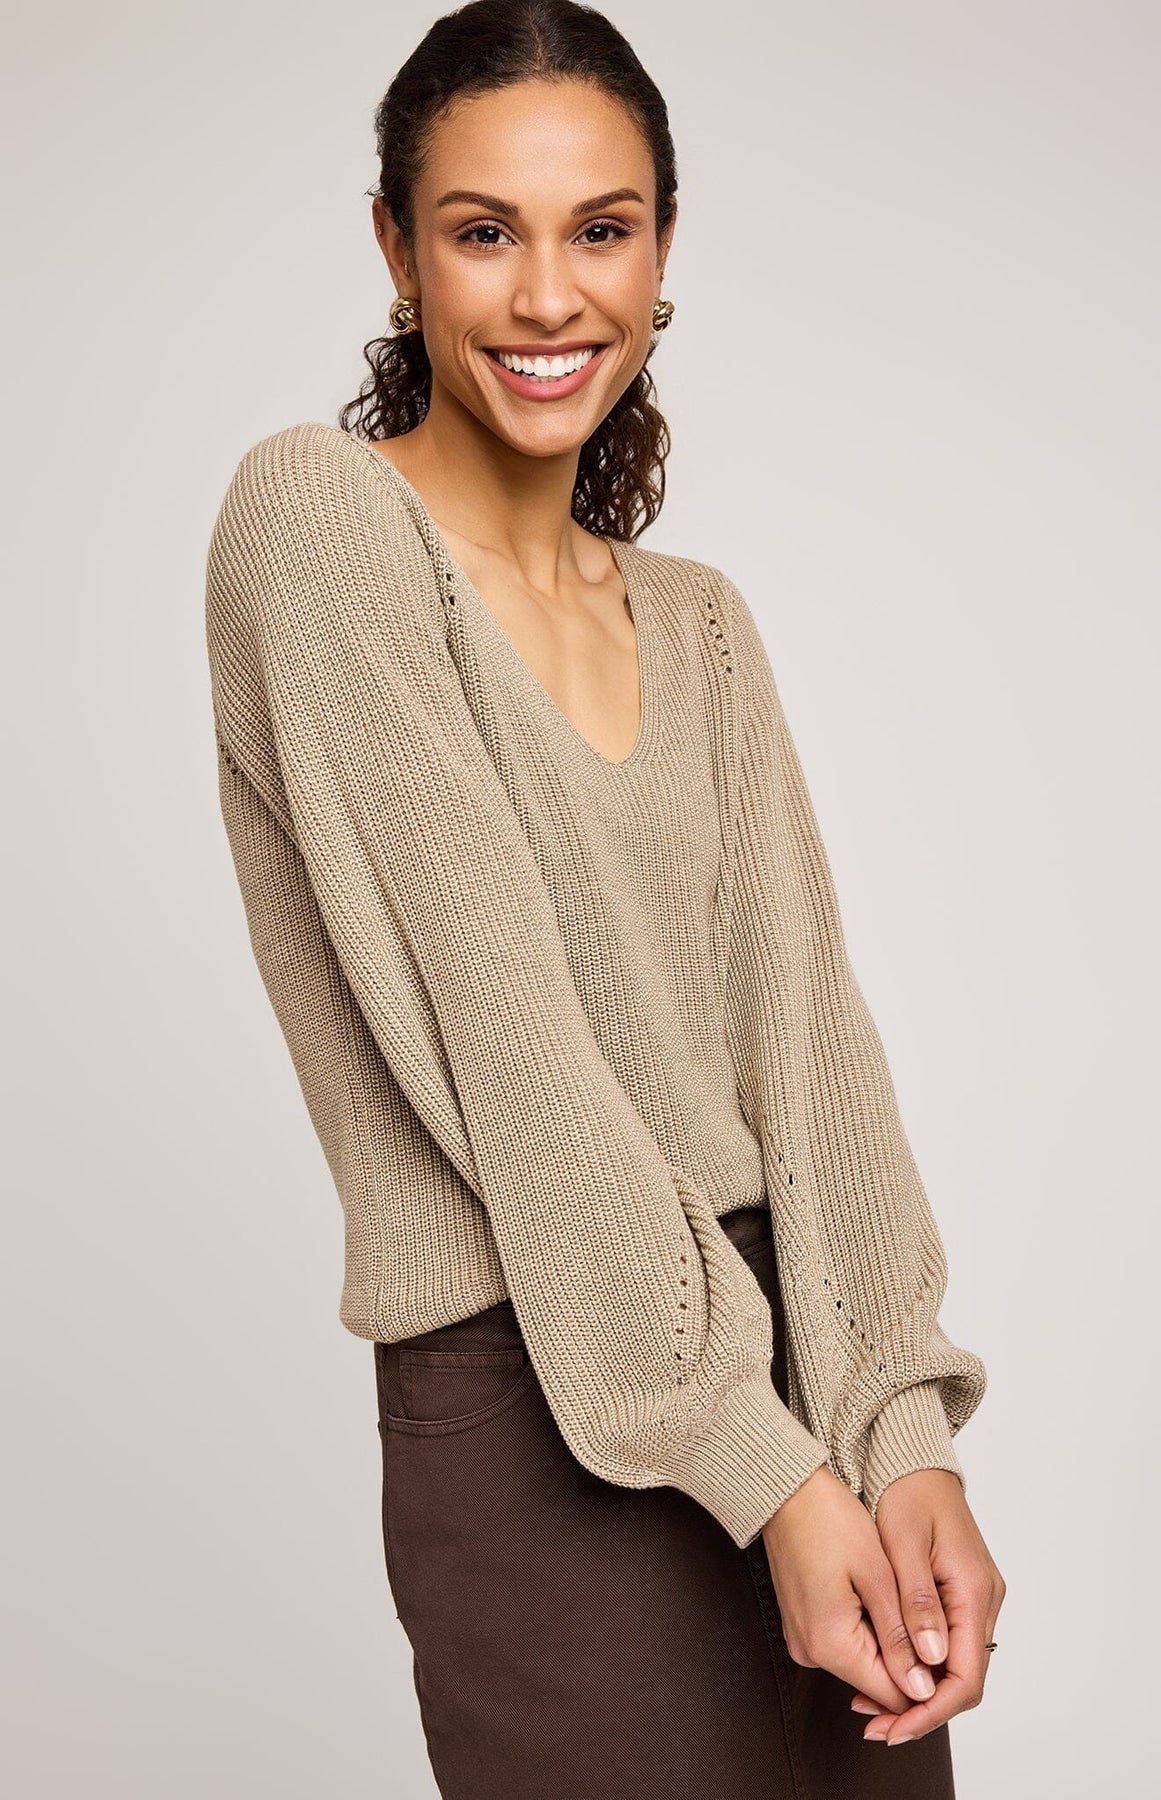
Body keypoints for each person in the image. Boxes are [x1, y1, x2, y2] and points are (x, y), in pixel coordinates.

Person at [204, 3, 1005, 1795]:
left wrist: (899, 1434)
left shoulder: (700, 623)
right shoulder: (316, 522)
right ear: (396, 251)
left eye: (602, 228)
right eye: (484, 231)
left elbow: (814, 1055)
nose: (549, 293)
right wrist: (771, 1477)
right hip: (542, 1401)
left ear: (661, 252)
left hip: (796, 1380)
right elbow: (511, 1051)